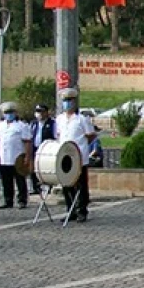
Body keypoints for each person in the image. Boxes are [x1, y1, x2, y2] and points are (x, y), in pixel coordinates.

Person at [54, 88, 96, 222]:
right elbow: (59, 135)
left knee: (81, 184)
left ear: (74, 102)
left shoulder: (81, 119)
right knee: (67, 184)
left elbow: (90, 135)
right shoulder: (59, 119)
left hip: (78, 157)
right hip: (64, 156)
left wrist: (81, 146)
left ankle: (82, 210)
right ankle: (70, 210)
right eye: (65, 101)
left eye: (69, 101)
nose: (67, 103)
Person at [0, 101, 32, 210]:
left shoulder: (22, 126)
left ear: (15, 113)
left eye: (11, 112)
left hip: (17, 157)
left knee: (20, 180)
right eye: (6, 112)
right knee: (6, 181)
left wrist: (27, 157)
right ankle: (8, 200)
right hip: (4, 157)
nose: (9, 114)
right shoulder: (0, 125)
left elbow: (27, 142)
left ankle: (22, 200)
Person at [29, 104, 56, 194]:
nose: (39, 114)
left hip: (46, 150)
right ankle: (36, 187)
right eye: (37, 111)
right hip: (35, 148)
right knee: (34, 169)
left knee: (46, 168)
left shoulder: (52, 123)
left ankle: (49, 187)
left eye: (41, 111)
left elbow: (55, 136)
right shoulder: (33, 123)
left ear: (46, 112)